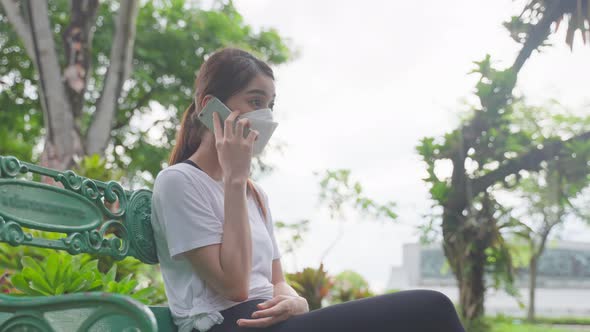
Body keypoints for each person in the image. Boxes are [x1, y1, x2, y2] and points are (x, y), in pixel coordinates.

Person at [151, 47, 466, 332]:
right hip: (228, 325)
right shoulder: (179, 182)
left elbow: (277, 281)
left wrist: (296, 301)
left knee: (426, 313)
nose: (267, 116)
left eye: (271, 104)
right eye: (255, 101)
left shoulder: (255, 193)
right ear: (210, 106)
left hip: (278, 321)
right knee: (431, 308)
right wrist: (235, 178)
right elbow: (234, 287)